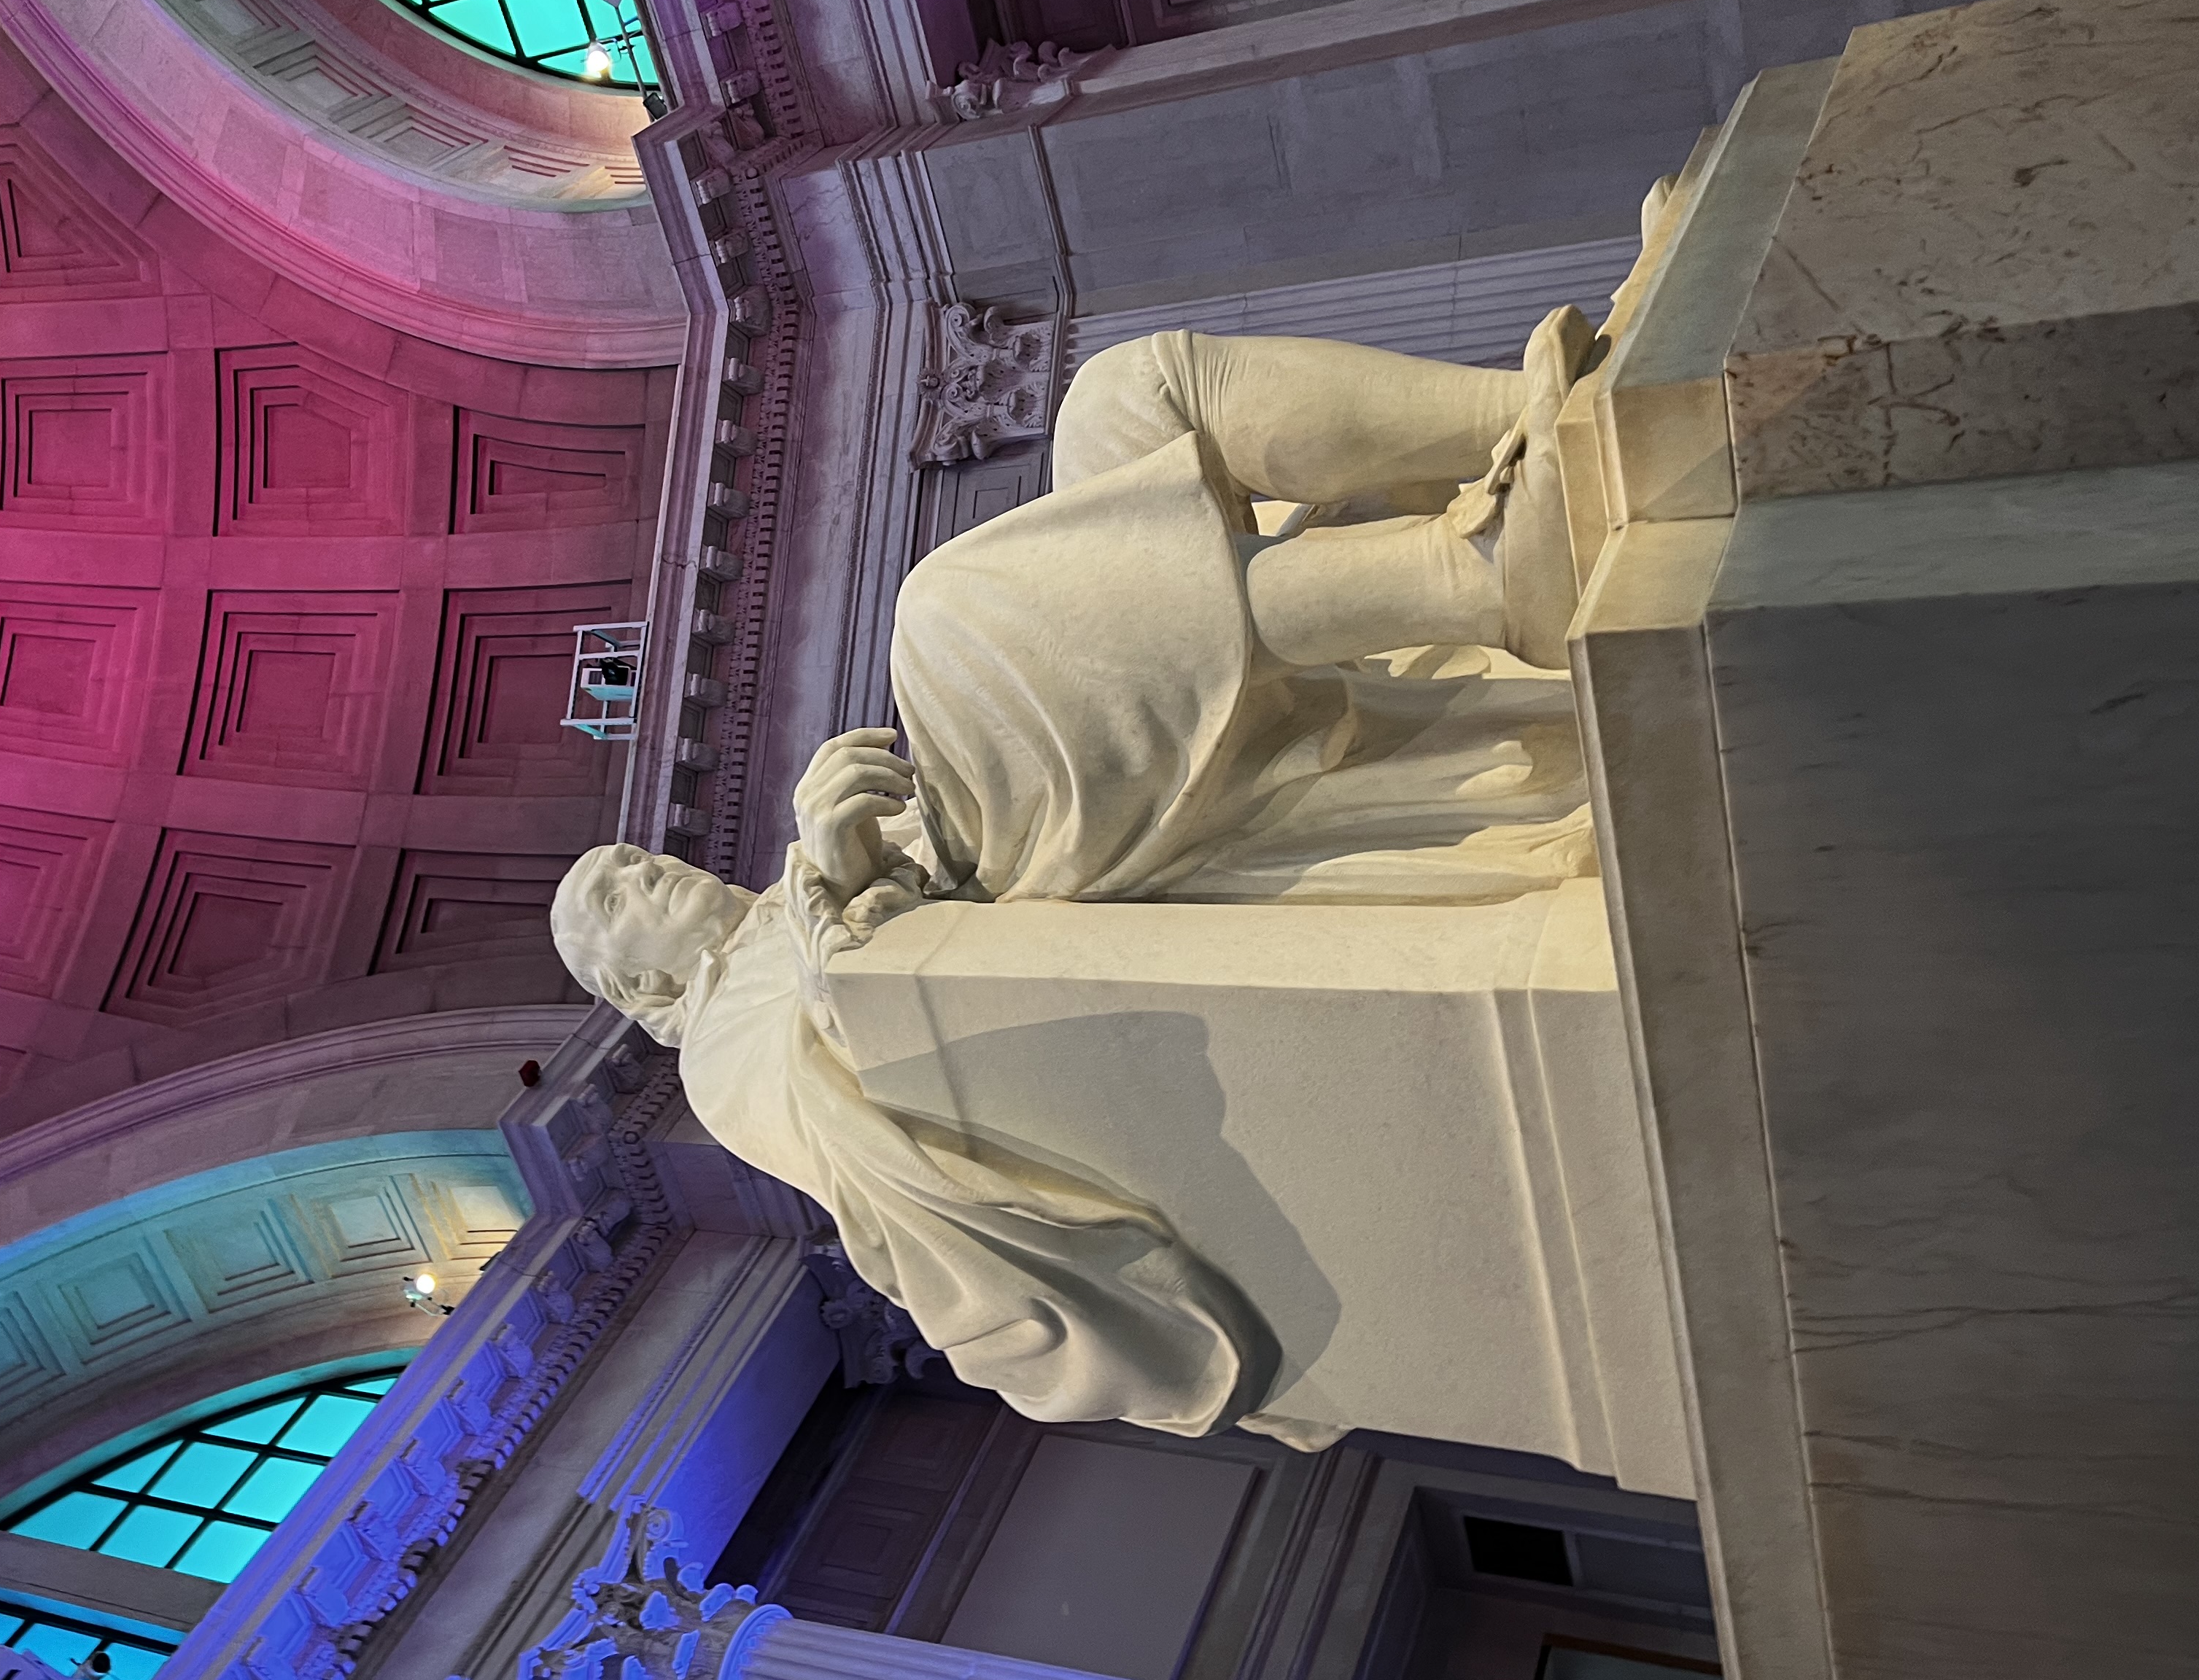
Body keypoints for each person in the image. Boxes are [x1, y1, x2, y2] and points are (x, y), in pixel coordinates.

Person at [549, 309, 1599, 1439]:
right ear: (646, 993)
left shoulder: (792, 874)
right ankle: (1480, 574)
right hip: (1024, 903)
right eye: (620, 896)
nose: (644, 867)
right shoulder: (720, 1054)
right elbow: (878, 1135)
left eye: (632, 857)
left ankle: (1556, 420)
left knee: (1127, 397)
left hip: (1037, 841)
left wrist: (842, 856)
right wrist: (837, 892)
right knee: (955, 622)